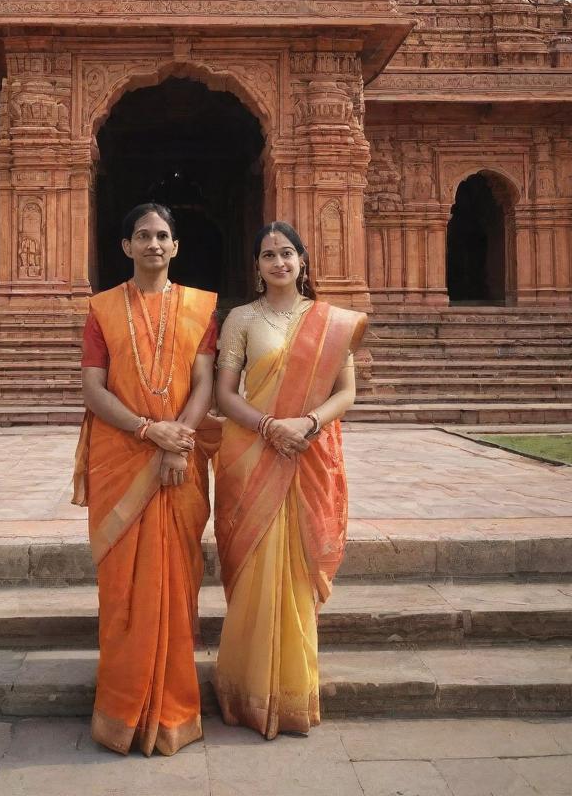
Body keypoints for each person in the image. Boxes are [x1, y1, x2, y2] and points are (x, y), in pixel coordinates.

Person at [72, 202, 218, 757]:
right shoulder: (102, 309)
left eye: (162, 236)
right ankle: (121, 713)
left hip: (180, 456)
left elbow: (204, 382)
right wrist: (147, 431)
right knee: (123, 593)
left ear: (175, 247)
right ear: (126, 247)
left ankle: (174, 712)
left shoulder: (202, 309)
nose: (153, 244)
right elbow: (93, 388)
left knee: (175, 585)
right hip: (122, 456)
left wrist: (179, 437)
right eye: (142, 235)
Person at [212, 220, 367, 739]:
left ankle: (294, 690)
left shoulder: (329, 322)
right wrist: (267, 425)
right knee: (255, 565)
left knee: (296, 571)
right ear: (256, 266)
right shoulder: (240, 320)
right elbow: (224, 394)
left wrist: (305, 423)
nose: (279, 262)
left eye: (287, 253)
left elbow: (347, 391)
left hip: (308, 452)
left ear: (303, 261)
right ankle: (246, 688)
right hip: (251, 453)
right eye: (268, 255)